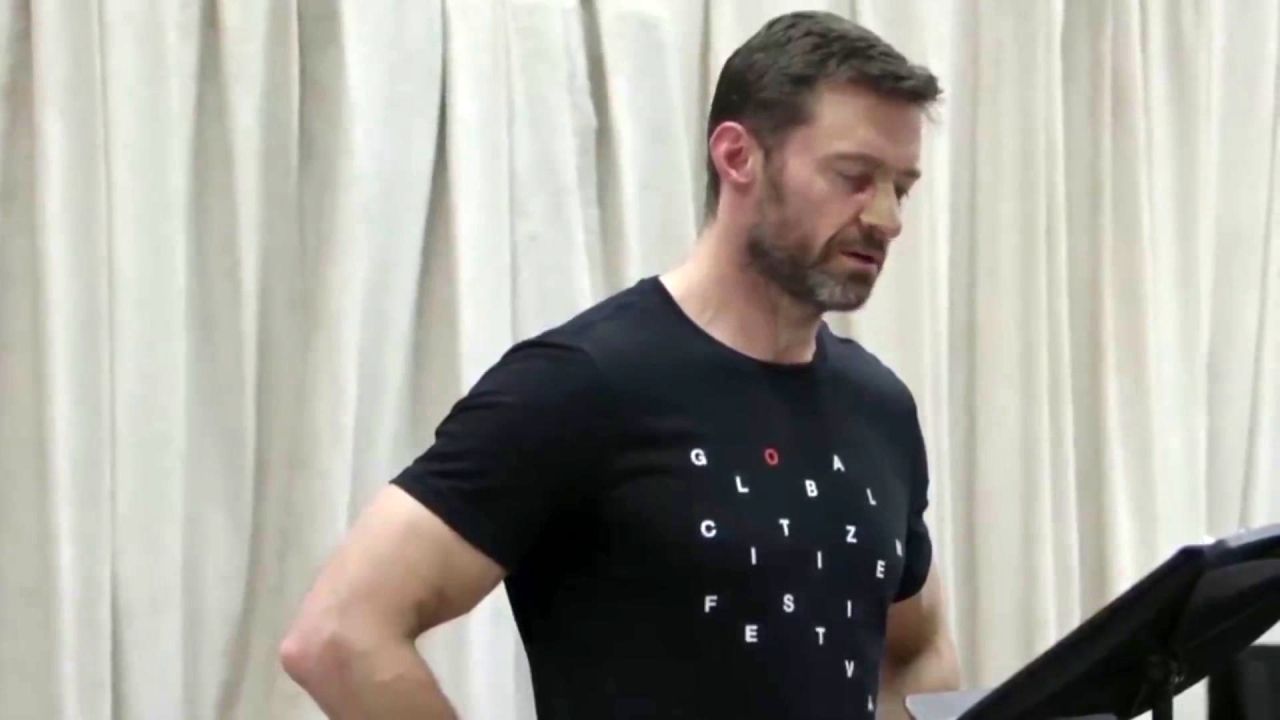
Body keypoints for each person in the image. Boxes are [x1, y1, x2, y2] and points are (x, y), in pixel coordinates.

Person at [281, 10, 961, 719]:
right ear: (738, 157)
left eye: (901, 188)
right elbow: (339, 635)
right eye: (854, 177)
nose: (887, 218)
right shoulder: (582, 382)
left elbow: (915, 650)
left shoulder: (879, 406)